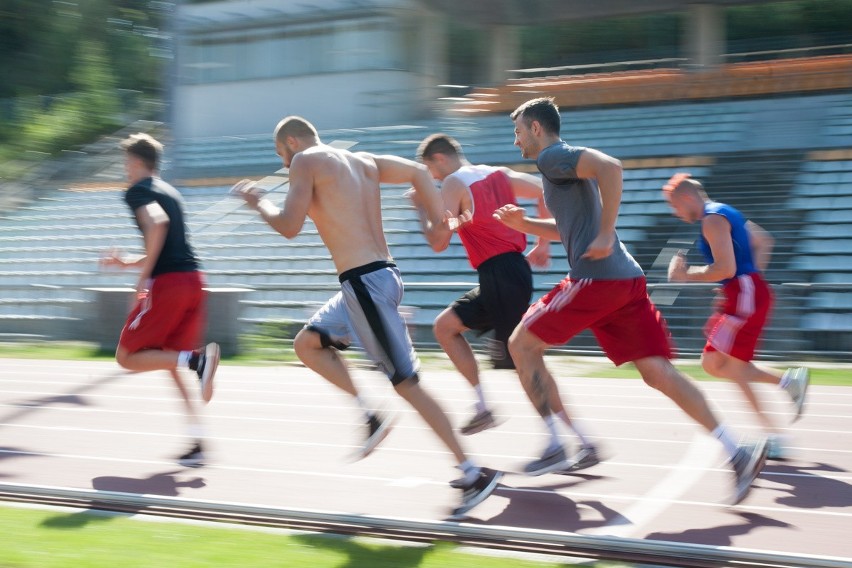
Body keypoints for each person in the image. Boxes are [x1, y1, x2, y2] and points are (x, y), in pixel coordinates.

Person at [493, 97, 767, 504]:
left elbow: (611, 167)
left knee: (520, 344)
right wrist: (525, 224)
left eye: (517, 132)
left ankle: (557, 444)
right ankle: (737, 451)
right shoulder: (559, 165)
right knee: (659, 374)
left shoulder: (551, 156)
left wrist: (606, 233)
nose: (515, 142)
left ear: (536, 128)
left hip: (596, 280)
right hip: (626, 282)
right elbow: (569, 229)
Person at [230, 116, 501, 517]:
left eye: (280, 157)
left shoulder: (305, 160)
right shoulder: (363, 160)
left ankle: (473, 472)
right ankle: (369, 415)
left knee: (406, 383)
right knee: (307, 344)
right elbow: (417, 173)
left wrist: (259, 202)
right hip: (375, 279)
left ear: (292, 142)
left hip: (364, 284)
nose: (285, 167)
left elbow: (289, 226)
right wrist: (437, 223)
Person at [414, 134, 600, 468]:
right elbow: (545, 193)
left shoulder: (454, 183)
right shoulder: (499, 173)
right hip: (503, 275)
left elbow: (439, 241)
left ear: (440, 159)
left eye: (431, 170)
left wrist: (420, 207)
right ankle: (482, 406)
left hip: (501, 274)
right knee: (445, 327)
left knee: (525, 359)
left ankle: (562, 442)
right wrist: (543, 242)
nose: (433, 178)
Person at [663, 173, 809, 459]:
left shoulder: (712, 220)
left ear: (687, 197)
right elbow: (764, 241)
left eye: (674, 205)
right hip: (747, 292)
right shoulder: (727, 212)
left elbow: (725, 269)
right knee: (721, 364)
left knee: (722, 364)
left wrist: (685, 275)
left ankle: (774, 430)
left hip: (745, 293)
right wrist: (749, 282)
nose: (675, 212)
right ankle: (785, 392)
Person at [100, 132, 220, 468]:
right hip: (194, 280)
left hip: (169, 284)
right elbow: (169, 244)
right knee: (167, 359)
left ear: (137, 162)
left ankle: (198, 363)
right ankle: (197, 439)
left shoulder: (138, 191)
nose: (125, 170)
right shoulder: (169, 191)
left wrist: (143, 277)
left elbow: (157, 224)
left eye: (126, 163)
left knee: (127, 357)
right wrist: (128, 263)